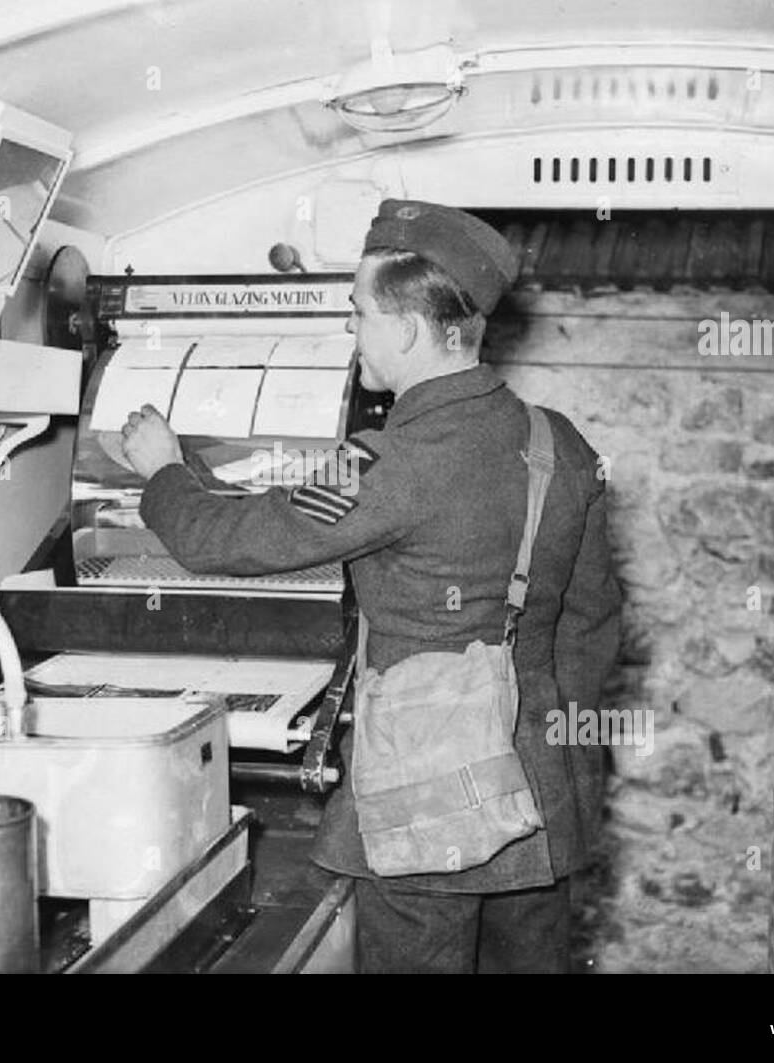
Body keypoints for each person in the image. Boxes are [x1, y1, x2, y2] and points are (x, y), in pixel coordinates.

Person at [121, 199, 621, 973]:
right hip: (543, 808)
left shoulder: (381, 462)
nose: (352, 334)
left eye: (358, 314)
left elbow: (227, 540)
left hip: (425, 808)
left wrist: (162, 470)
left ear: (408, 329)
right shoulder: (563, 444)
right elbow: (590, 631)